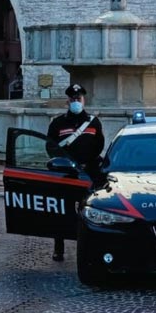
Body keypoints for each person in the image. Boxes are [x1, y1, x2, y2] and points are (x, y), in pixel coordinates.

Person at [45, 84, 105, 262]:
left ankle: (92, 246)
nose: (76, 102)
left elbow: (99, 145)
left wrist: (89, 163)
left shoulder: (93, 122)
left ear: (84, 100)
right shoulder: (58, 123)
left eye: (78, 99)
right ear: (67, 101)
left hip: (88, 173)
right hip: (67, 174)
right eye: (73, 99)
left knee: (91, 209)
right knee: (61, 211)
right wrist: (64, 163)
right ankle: (59, 249)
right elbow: (50, 147)